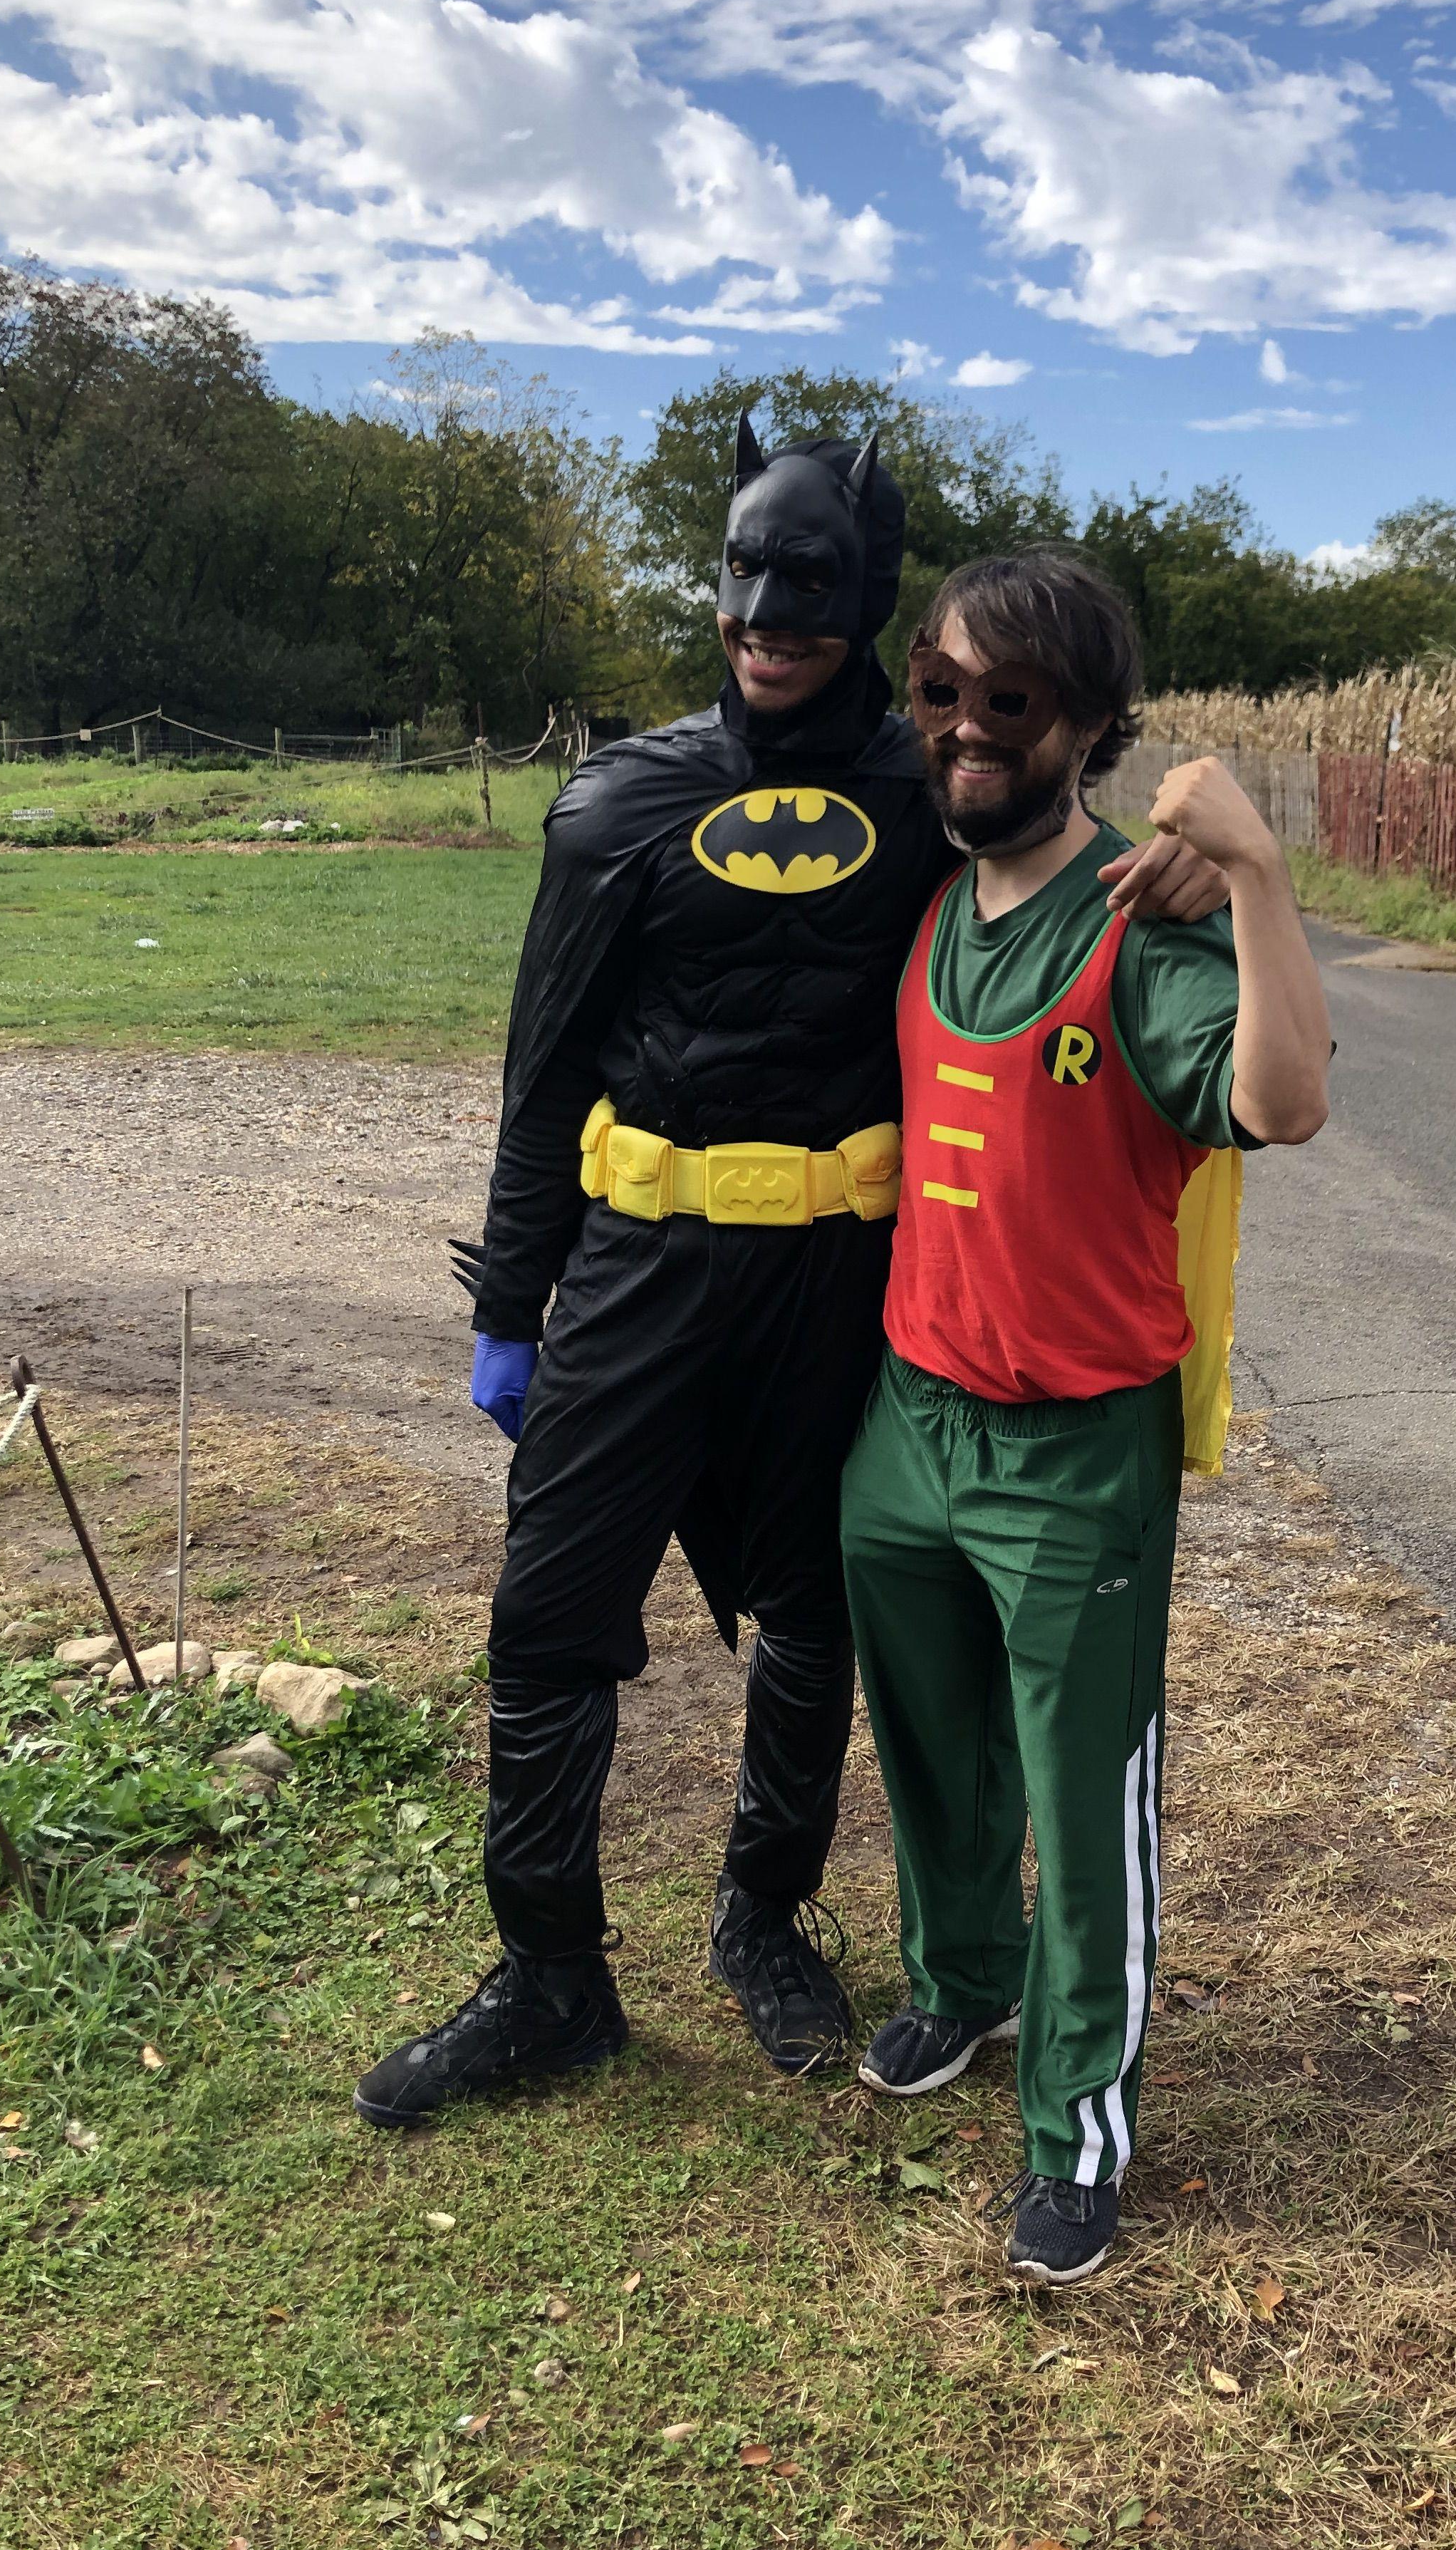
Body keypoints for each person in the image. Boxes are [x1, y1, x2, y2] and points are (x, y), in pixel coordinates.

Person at [355, 427, 1228, 2128]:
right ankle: (548, 1978)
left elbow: (1081, 858)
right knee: (545, 1624)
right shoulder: (621, 798)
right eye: (746, 572)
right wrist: (508, 1302)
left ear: (873, 598)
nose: (770, 613)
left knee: (815, 1619)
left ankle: (767, 1915)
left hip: (839, 1279)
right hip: (636, 1269)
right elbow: (545, 1068)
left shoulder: (936, 790)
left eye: (812, 581)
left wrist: (1200, 862)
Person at [840, 546, 1331, 2285]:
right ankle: (960, 1989)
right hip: (911, 1419)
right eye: (943, 694)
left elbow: (1283, 1102)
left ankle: (1078, 2128)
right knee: (929, 1750)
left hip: (1070, 1448)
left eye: (1013, 702)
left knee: (1080, 1783)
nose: (969, 731)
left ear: (1093, 726)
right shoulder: (931, 878)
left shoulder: (1148, 920)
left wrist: (1261, 876)